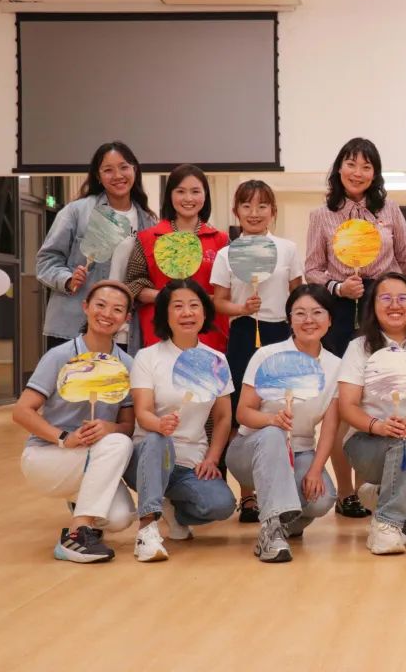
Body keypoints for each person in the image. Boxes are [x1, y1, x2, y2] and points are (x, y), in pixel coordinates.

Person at [304, 138, 406, 519]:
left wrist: (390, 290)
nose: (358, 172)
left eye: (367, 166)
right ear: (339, 168)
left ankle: (377, 486)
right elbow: (312, 269)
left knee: (380, 392)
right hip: (340, 308)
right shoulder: (322, 215)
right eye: (351, 164)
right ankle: (347, 492)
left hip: (382, 308)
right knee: (341, 401)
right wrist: (338, 287)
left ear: (375, 173)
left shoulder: (389, 210)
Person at [14, 280, 138, 562]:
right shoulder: (59, 356)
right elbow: (21, 411)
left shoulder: (127, 365)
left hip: (92, 459)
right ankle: (75, 536)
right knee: (118, 444)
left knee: (120, 518)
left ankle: (80, 504)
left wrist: (110, 427)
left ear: (127, 318)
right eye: (100, 305)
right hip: (48, 456)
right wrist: (63, 438)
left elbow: (127, 426)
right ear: (85, 307)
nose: (107, 314)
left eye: (117, 309)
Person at [337, 272, 406, 554]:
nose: (394, 305)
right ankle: (385, 525)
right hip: (368, 443)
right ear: (373, 305)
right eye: (385, 298)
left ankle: (379, 494)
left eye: (402, 298)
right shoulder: (359, 347)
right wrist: (378, 425)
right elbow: (347, 406)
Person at [125, 280, 237, 561]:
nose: (187, 313)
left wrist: (212, 458)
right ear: (165, 314)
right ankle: (147, 528)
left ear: (204, 312)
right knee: (157, 438)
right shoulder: (147, 357)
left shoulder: (216, 360)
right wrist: (158, 424)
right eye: (178, 306)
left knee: (221, 505)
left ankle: (172, 508)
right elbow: (142, 412)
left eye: (194, 305)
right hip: (147, 458)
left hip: (189, 462)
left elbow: (223, 417)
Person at [227, 285, 341, 562]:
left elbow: (330, 428)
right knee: (273, 434)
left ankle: (281, 523)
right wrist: (271, 420)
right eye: (300, 313)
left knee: (322, 498)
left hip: (300, 452)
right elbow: (243, 413)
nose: (308, 320)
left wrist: (316, 470)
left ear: (330, 320)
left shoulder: (337, 366)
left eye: (317, 312)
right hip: (251, 449)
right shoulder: (267, 356)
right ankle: (271, 532)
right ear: (289, 319)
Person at [211, 179, 302, 523]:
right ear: (235, 211)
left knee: (278, 406)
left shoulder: (287, 249)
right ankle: (247, 496)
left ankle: (278, 488)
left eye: (262, 206)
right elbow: (218, 302)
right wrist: (241, 309)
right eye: (246, 206)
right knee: (242, 410)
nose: (254, 212)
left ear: (272, 211)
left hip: (281, 332)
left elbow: (297, 296)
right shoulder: (226, 254)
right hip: (243, 332)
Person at [36, 141, 157, 353]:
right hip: (75, 325)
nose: (118, 175)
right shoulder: (77, 211)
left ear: (135, 170)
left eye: (124, 167)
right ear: (98, 176)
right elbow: (46, 260)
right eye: (108, 170)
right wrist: (67, 279)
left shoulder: (148, 221)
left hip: (125, 329)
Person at [127, 164, 229, 352]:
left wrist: (203, 300)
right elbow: (133, 284)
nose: (188, 198)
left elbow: (230, 290)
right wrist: (170, 297)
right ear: (170, 195)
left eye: (195, 191)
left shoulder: (221, 240)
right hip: (160, 334)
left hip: (210, 336)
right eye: (180, 191)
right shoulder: (148, 238)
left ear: (205, 195)